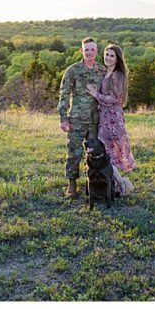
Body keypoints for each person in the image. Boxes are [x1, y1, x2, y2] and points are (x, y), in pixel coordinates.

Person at [58, 37, 105, 199]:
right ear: (81, 51)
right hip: (76, 119)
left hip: (95, 120)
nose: (89, 52)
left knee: (94, 153)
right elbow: (63, 94)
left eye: (92, 49)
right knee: (74, 152)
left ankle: (92, 183)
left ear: (97, 51)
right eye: (86, 50)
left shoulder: (102, 71)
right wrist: (63, 118)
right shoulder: (73, 70)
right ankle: (71, 184)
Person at [86, 44, 135, 196]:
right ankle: (116, 185)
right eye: (106, 54)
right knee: (108, 153)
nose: (108, 58)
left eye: (112, 55)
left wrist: (96, 95)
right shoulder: (106, 72)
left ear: (118, 59)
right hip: (105, 117)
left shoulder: (117, 75)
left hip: (112, 118)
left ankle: (123, 185)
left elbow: (115, 99)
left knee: (108, 154)